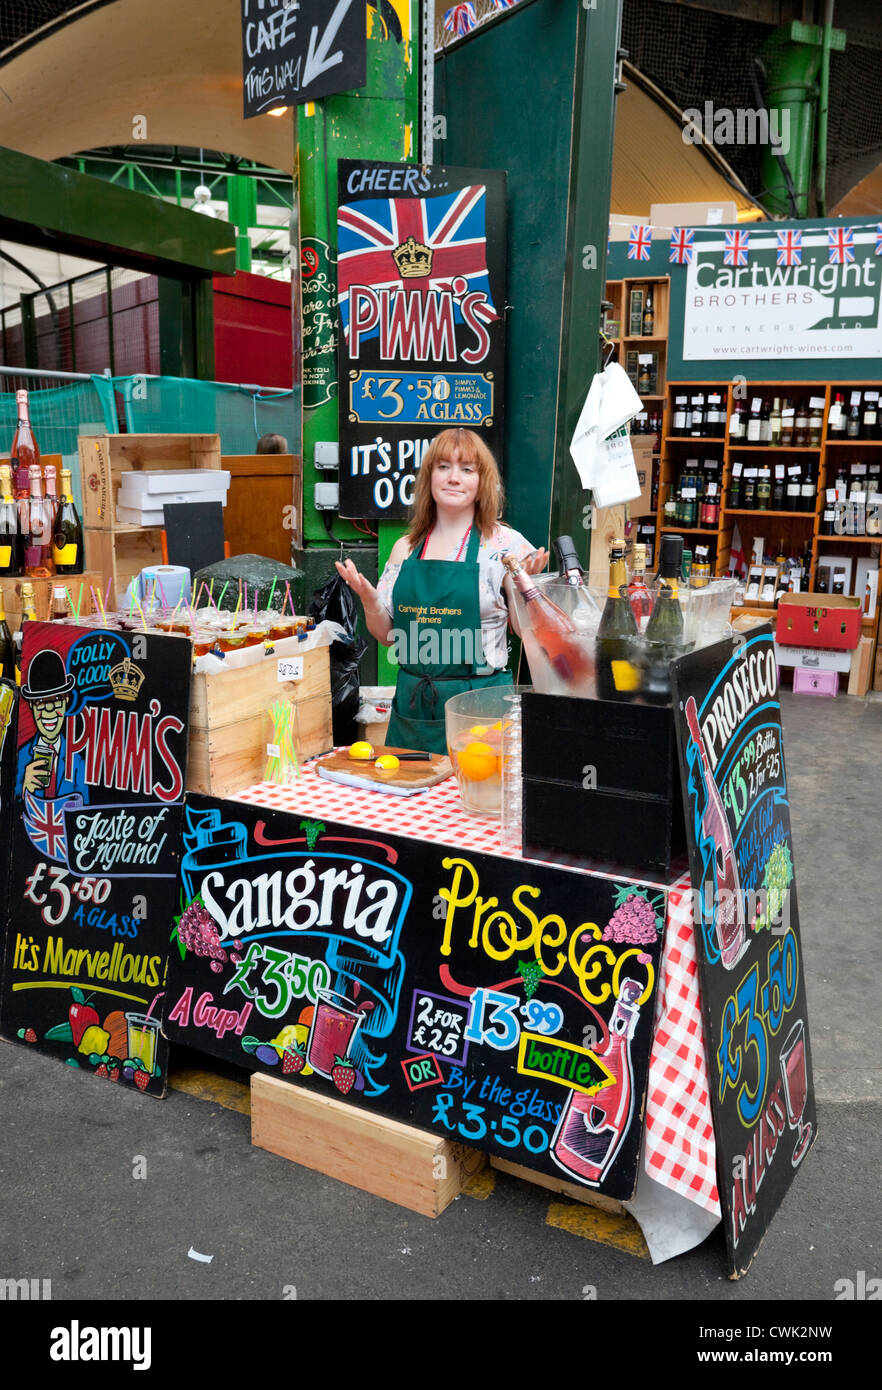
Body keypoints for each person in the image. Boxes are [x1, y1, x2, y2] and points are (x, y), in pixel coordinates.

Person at [336, 428, 548, 754]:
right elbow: (386, 634)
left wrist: (524, 591)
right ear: (429, 477)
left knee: (476, 797)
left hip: (479, 704)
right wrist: (369, 600)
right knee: (408, 798)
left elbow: (525, 632)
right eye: (444, 467)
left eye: (467, 469)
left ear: (482, 483)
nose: (454, 478)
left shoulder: (505, 545)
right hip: (413, 706)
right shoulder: (405, 548)